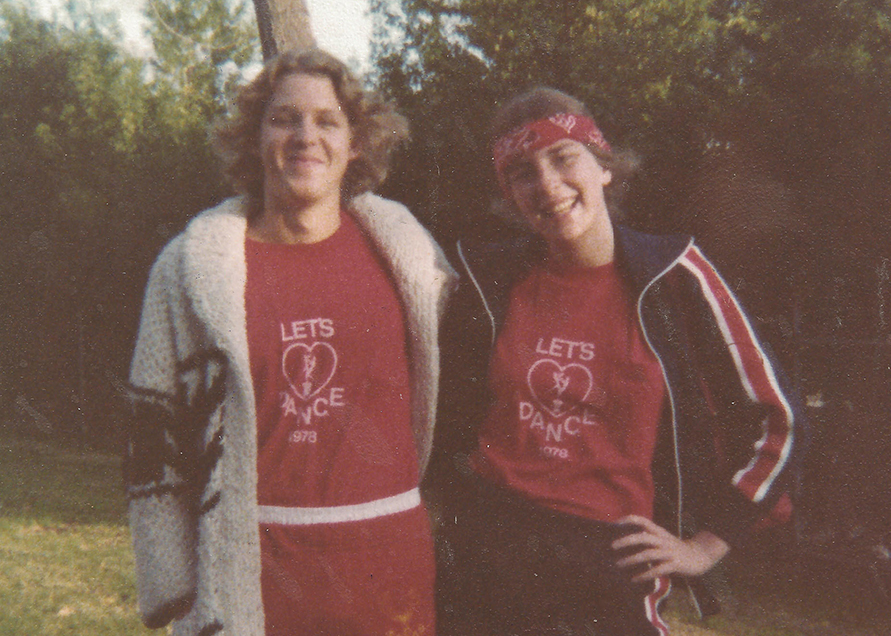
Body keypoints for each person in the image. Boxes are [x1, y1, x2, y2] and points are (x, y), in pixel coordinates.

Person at [429, 87, 800, 635]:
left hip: (608, 555)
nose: (547, 185)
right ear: (509, 196)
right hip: (489, 542)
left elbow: (780, 419)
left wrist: (707, 544)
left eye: (563, 158)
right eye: (522, 174)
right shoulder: (491, 280)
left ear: (604, 167)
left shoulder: (674, 274)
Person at [123, 48, 456, 636]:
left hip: (388, 569)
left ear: (356, 143)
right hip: (255, 568)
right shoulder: (191, 267)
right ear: (255, 138)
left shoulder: (409, 256)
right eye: (283, 119)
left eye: (328, 121)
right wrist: (168, 574)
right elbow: (153, 426)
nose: (306, 136)